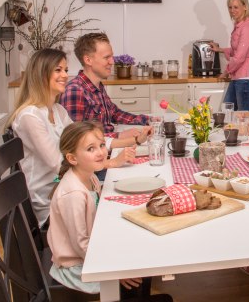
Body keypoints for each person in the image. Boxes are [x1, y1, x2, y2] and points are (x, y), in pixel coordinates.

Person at [47, 121, 172, 301]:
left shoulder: (89, 177)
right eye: (91, 149)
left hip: (90, 253)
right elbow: (81, 245)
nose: (100, 152)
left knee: (140, 258)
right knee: (135, 270)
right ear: (72, 158)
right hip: (78, 267)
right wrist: (115, 272)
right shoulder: (73, 194)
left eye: (101, 145)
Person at [9, 48, 135, 226]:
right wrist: (109, 163)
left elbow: (85, 140)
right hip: (52, 201)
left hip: (70, 187)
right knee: (119, 208)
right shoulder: (30, 117)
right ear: (41, 74)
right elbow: (59, 164)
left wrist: (133, 140)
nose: (65, 76)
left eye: (66, 70)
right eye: (58, 70)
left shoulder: (58, 111)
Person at [60, 32, 151, 142]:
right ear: (88, 60)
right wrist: (119, 136)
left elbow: (115, 113)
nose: (112, 62)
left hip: (105, 146)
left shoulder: (97, 86)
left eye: (111, 56)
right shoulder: (74, 91)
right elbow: (76, 140)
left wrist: (149, 120)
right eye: (107, 57)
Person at [210, 0, 249, 111]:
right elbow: (236, 50)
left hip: (246, 79)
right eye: (230, 7)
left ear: (245, 7)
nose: (232, 10)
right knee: (227, 112)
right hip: (238, 77)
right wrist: (220, 49)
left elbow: (239, 58)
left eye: (236, 7)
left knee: (243, 117)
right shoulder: (239, 26)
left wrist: (226, 72)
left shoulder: (247, 27)